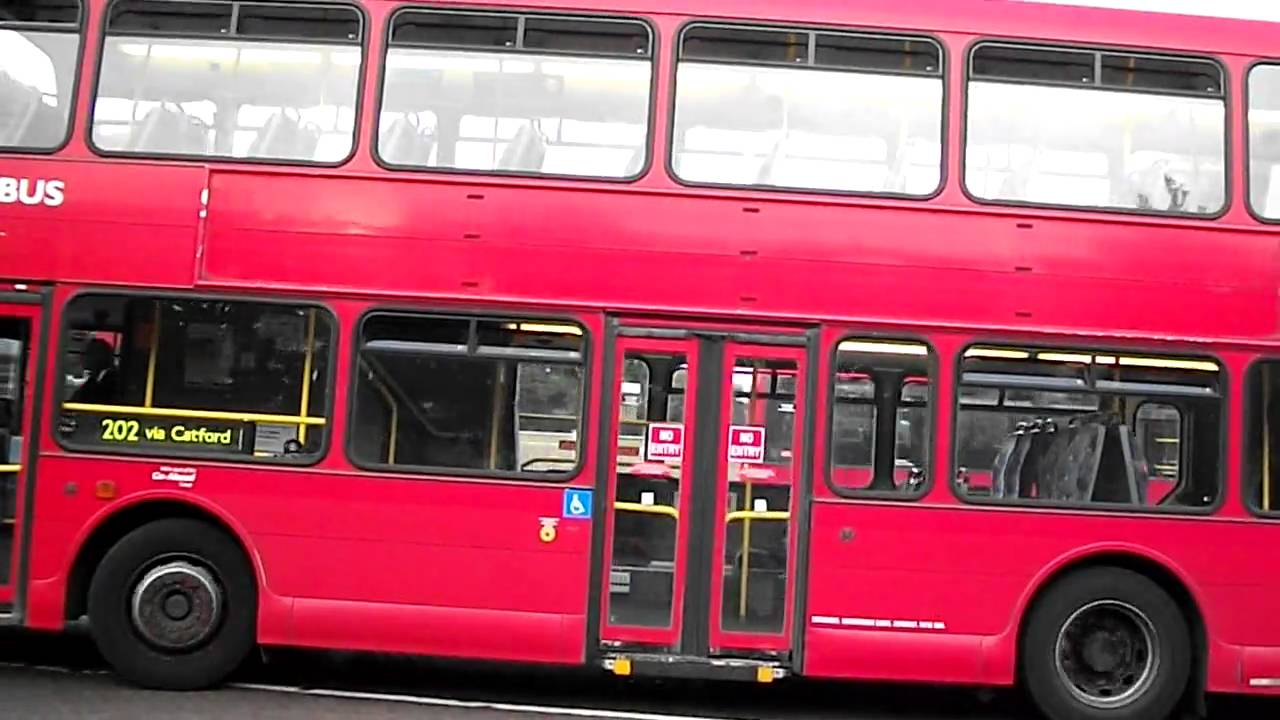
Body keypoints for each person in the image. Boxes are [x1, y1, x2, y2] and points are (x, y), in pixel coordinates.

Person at [72, 339, 118, 404]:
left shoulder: (113, 381)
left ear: (99, 356)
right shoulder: (93, 380)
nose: (81, 358)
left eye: (87, 354)